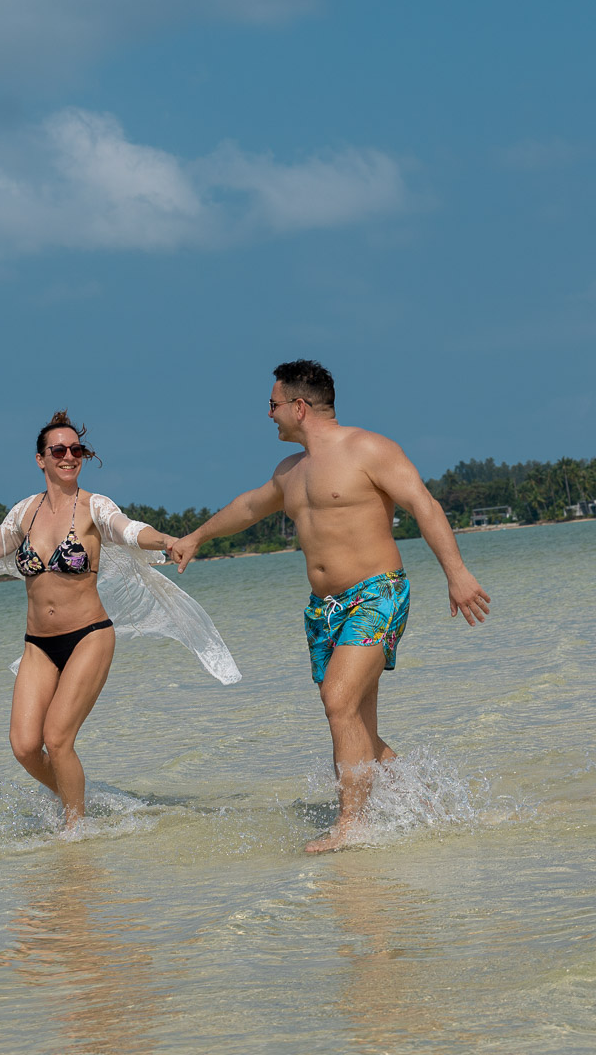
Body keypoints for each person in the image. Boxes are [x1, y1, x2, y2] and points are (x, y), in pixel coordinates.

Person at [168, 361, 489, 852]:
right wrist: (196, 537)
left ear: (299, 406)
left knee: (337, 701)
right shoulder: (290, 473)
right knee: (355, 721)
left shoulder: (369, 450)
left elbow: (423, 505)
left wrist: (457, 574)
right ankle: (433, 806)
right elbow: (249, 507)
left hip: (376, 594)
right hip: (324, 610)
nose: (269, 415)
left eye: (273, 405)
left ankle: (350, 825)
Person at [0, 411, 240, 831]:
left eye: (75, 450)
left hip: (89, 637)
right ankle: (81, 800)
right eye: (58, 450)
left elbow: (130, 530)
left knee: (58, 739)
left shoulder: (95, 507)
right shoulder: (23, 514)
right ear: (40, 459)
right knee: (25, 747)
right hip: (38, 644)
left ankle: (74, 830)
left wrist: (168, 541)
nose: (68, 456)